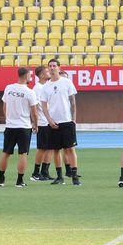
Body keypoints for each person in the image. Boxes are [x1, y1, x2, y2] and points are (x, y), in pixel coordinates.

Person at [40, 58, 80, 186]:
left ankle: (74, 175)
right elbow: (44, 106)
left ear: (59, 67)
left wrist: (74, 119)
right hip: (53, 122)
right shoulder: (45, 87)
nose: (52, 68)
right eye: (50, 66)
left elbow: (73, 101)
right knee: (56, 150)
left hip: (67, 121)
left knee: (70, 149)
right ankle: (59, 176)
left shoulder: (67, 82)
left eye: (54, 66)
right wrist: (49, 120)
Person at [0, 67, 38, 188]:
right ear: (26, 77)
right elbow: (34, 112)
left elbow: (4, 106)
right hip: (24, 126)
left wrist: (8, 119)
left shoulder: (8, 88)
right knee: (23, 153)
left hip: (10, 126)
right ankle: (19, 180)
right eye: (30, 76)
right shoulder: (30, 92)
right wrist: (35, 124)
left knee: (6, 152)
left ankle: (1, 179)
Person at [30, 65, 52, 181]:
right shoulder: (37, 88)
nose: (50, 72)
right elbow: (34, 106)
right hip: (43, 122)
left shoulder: (46, 86)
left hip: (49, 122)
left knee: (50, 148)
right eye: (47, 71)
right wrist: (35, 122)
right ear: (42, 75)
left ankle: (45, 171)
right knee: (42, 148)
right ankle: (35, 172)